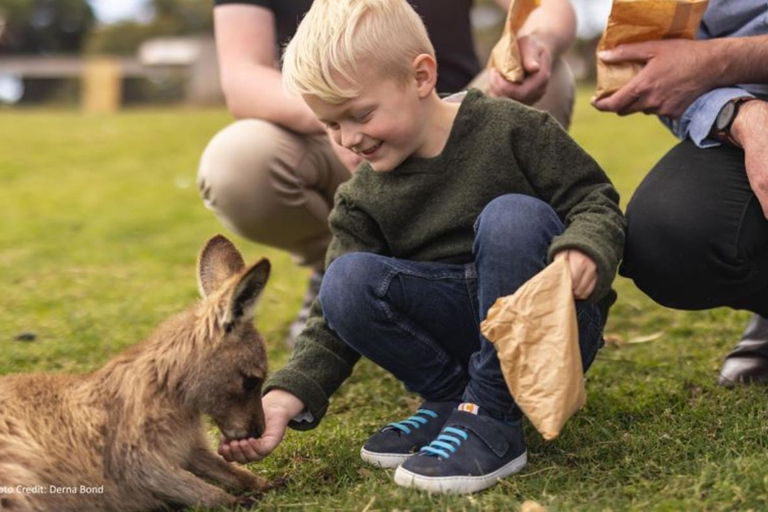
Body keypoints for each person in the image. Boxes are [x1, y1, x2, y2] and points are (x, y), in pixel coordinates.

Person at [218, 0, 626, 494]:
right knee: (344, 280)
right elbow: (331, 320)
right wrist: (287, 395)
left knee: (513, 216)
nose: (349, 140)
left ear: (421, 77)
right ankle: (453, 399)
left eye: (360, 114)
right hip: (458, 331)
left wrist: (583, 247)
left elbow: (594, 199)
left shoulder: (514, 129)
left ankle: (492, 415)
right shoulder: (360, 197)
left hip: (549, 329)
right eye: (331, 125)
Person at [197, 0, 577, 347]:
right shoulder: (346, 128)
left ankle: (497, 265)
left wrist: (536, 40)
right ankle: (341, 265)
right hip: (323, 138)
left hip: (456, 124)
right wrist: (343, 118)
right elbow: (241, 73)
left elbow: (545, 6)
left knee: (545, 76)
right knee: (236, 163)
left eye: (355, 119)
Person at [592, 0, 768, 386]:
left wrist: (716, 60)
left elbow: (696, 65)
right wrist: (739, 114)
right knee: (669, 232)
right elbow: (665, 74)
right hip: (750, 104)